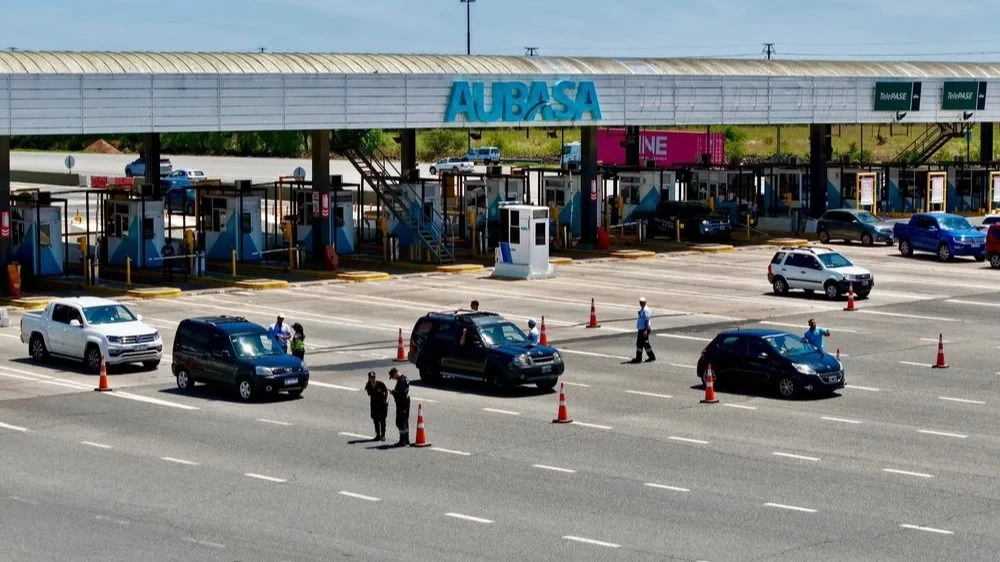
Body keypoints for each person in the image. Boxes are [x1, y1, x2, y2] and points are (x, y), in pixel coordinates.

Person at [388, 367, 411, 447]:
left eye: (393, 377)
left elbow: (400, 394)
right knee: (405, 421)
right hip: (406, 402)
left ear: (395, 374)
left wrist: (393, 392)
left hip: (402, 403)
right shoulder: (405, 378)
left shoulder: (401, 380)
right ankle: (406, 439)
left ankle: (402, 440)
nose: (393, 379)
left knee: (400, 422)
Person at [364, 371, 389, 442]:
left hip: (382, 404)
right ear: (369, 378)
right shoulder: (368, 385)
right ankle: (378, 435)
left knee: (382, 420)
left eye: (373, 377)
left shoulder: (380, 384)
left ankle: (383, 435)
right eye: (371, 377)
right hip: (374, 405)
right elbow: (369, 394)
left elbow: (386, 392)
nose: (373, 379)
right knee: (375, 420)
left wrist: (386, 401)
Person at [631, 297, 656, 363]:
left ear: (645, 302)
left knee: (644, 344)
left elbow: (646, 320)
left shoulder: (646, 310)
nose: (641, 304)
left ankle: (650, 357)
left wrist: (645, 330)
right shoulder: (643, 309)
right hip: (641, 329)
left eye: (642, 302)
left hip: (644, 330)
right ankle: (639, 358)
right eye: (640, 302)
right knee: (640, 344)